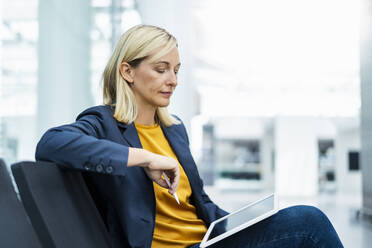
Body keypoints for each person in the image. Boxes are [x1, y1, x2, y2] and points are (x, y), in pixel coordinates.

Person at [35, 24, 343, 248]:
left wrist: (242, 223)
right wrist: (144, 158)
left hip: (206, 240)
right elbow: (51, 143)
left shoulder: (174, 129)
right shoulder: (104, 123)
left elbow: (199, 202)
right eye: (161, 69)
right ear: (127, 71)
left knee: (298, 223)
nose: (173, 80)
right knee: (309, 222)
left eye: (177, 70)